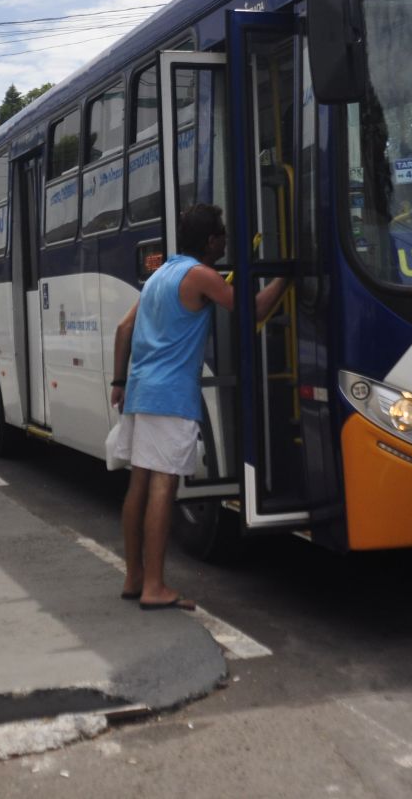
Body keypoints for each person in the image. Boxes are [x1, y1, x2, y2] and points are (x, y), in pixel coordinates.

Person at [109, 204, 287, 611]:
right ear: (211, 241)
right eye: (222, 234)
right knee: (164, 486)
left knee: (139, 484)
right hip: (171, 396)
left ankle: (134, 576)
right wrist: (285, 277)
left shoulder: (160, 275)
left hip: (139, 390)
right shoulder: (200, 275)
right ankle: (155, 586)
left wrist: (119, 382)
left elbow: (123, 329)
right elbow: (252, 310)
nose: (225, 239)